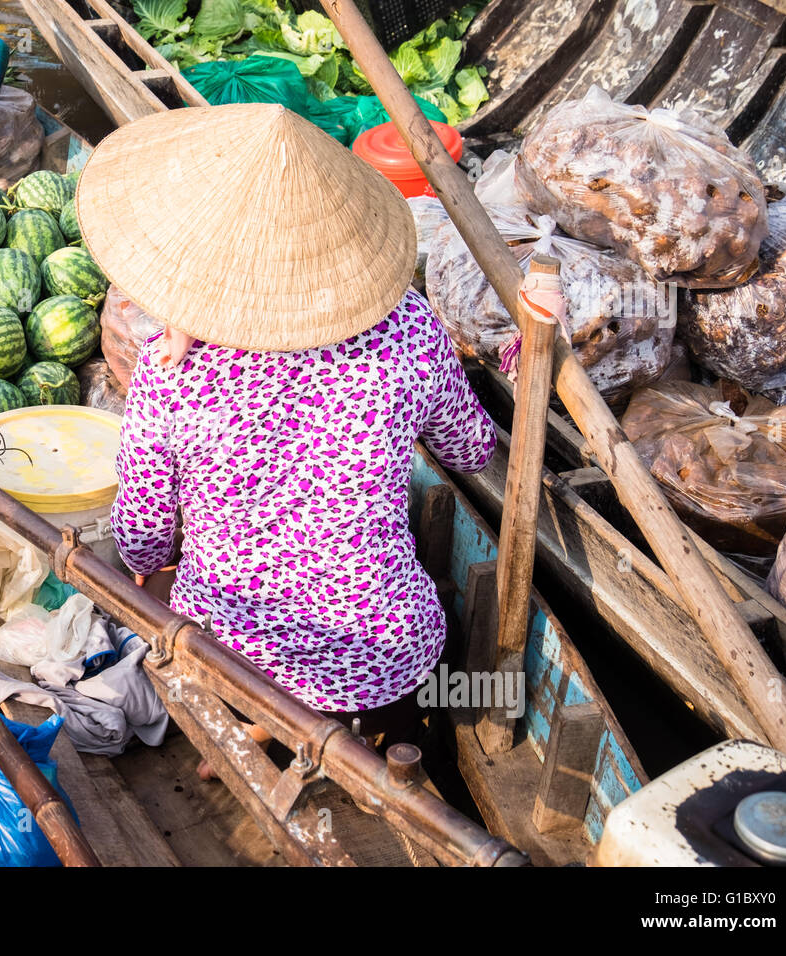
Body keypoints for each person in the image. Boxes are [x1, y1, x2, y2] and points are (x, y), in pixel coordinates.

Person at [74, 103, 496, 775]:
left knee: (153, 576)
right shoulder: (409, 327)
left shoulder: (170, 369)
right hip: (387, 659)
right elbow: (473, 450)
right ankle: (347, 732)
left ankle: (256, 729)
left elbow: (144, 539)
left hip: (233, 660)